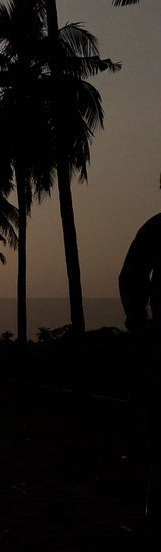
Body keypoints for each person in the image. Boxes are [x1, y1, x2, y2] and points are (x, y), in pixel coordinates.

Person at [119, 183, 161, 524]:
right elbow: (132, 277)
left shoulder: (154, 228)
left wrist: (137, 321)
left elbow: (130, 276)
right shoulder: (154, 228)